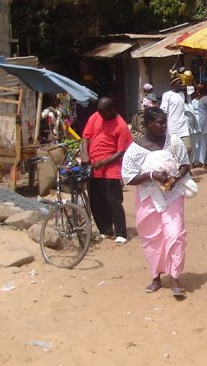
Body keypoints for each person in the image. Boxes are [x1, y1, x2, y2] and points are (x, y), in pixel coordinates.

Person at [121, 107, 191, 297]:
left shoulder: (174, 142)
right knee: (153, 239)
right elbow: (128, 177)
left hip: (172, 195)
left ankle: (175, 277)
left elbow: (185, 164)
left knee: (175, 234)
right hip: (148, 197)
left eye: (164, 122)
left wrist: (175, 179)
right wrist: (152, 175)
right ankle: (156, 276)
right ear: (148, 124)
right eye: (159, 123)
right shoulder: (136, 148)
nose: (163, 126)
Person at [81, 97, 133, 244]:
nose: (101, 116)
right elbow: (85, 137)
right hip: (94, 167)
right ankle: (105, 229)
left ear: (112, 110)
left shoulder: (121, 125)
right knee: (96, 201)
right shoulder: (95, 117)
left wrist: (104, 162)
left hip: (111, 169)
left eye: (104, 113)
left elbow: (121, 151)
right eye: (100, 113)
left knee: (113, 200)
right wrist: (85, 157)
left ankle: (121, 232)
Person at [160, 75, 193, 159]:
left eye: (181, 83)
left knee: (188, 149)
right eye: (179, 83)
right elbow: (163, 111)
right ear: (173, 85)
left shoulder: (182, 95)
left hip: (183, 127)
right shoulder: (167, 95)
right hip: (172, 128)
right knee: (173, 150)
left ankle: (185, 168)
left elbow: (191, 90)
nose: (181, 84)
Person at [189, 85, 207, 167]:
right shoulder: (206, 98)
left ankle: (195, 160)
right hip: (203, 122)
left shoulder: (193, 100)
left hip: (195, 122)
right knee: (203, 142)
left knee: (196, 142)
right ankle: (203, 161)